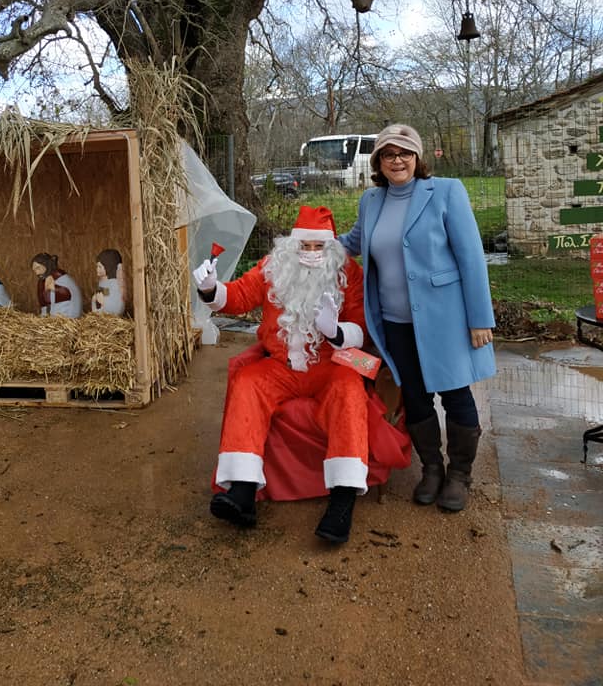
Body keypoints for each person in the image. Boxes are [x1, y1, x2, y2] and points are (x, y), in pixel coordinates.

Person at [338, 124, 496, 512]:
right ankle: (431, 469)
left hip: (445, 318)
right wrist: (305, 243)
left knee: (456, 392)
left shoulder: (446, 192)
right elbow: (354, 242)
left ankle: (459, 474)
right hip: (393, 321)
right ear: (378, 162)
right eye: (388, 154)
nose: (397, 160)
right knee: (415, 394)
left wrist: (480, 318)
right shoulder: (371, 201)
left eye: (405, 153)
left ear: (417, 158)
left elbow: (472, 257)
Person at [193, 204, 369, 544]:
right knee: (248, 383)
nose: (312, 254)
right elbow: (241, 295)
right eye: (305, 246)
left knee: (349, 389)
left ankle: (342, 501)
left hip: (330, 365)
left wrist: (335, 331)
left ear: (331, 247)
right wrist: (211, 290)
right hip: (281, 365)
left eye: (319, 247)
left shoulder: (348, 272)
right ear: (293, 245)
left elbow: (361, 329)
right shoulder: (274, 267)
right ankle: (243, 493)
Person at [31, 253, 82, 319]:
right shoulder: (42, 281)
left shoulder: (61, 277)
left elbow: (72, 294)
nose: (37, 273)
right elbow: (44, 304)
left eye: (38, 268)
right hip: (52, 318)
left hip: (67, 316)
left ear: (46, 265)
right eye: (34, 270)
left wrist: (54, 288)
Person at [91, 248, 127, 315]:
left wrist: (103, 301)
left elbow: (118, 303)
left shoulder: (115, 284)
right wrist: (96, 298)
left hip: (110, 314)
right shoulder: (103, 282)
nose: (97, 269)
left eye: (100, 267)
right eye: (97, 266)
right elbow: (105, 292)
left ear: (108, 266)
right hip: (102, 313)